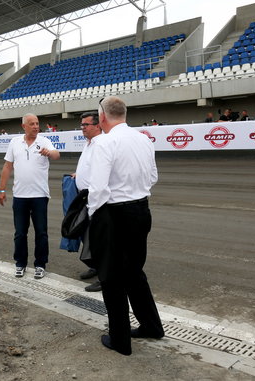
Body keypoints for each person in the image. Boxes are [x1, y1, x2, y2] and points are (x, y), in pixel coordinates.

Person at [87, 96, 164, 356]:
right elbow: (153, 176)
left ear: (102, 117)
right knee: (134, 272)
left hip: (114, 214)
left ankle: (120, 340)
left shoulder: (103, 142)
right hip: (141, 209)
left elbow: (97, 188)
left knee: (111, 278)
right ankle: (152, 325)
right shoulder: (143, 139)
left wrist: (92, 216)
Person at [0, 113, 60, 279]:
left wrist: (49, 153)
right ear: (23, 126)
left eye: (37, 123)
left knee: (41, 232)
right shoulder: (14, 142)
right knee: (20, 233)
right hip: (20, 196)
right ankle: (20, 263)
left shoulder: (44, 141)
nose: (35, 126)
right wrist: (2, 189)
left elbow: (56, 155)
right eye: (31, 124)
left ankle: (40, 264)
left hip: (40, 195)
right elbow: (7, 166)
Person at [73, 111, 103, 292]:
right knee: (89, 237)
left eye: (85, 125)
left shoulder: (101, 144)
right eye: (81, 125)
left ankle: (104, 275)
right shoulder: (88, 143)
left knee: (99, 239)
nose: (82, 128)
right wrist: (78, 175)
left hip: (96, 200)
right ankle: (95, 266)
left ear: (97, 126)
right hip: (85, 198)